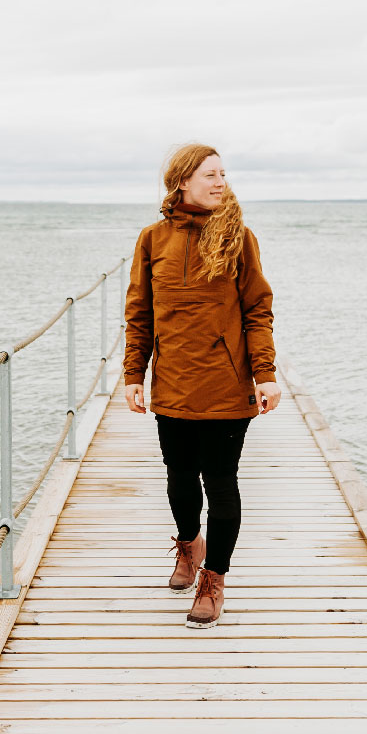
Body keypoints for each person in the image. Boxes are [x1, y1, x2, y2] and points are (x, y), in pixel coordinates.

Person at [123, 143, 280, 629]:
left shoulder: (239, 238)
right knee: (179, 480)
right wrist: (133, 373)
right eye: (210, 175)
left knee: (222, 482)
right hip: (172, 381)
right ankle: (189, 547)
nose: (220, 182)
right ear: (182, 182)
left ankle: (214, 580)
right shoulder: (152, 239)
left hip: (226, 386)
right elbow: (139, 312)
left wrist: (266, 373)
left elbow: (257, 309)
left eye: (223, 174)